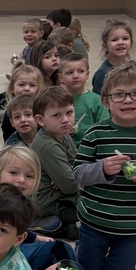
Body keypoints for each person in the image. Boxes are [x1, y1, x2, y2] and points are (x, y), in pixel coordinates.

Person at [74, 60, 136, 270]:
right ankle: (83, 248)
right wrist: (102, 169)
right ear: (105, 101)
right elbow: (78, 173)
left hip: (133, 226)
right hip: (95, 221)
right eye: (119, 94)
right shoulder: (96, 134)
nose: (128, 99)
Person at [31, 86, 79, 239]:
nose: (65, 120)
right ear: (40, 120)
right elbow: (71, 185)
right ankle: (33, 222)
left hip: (60, 195)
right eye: (57, 115)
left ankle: (66, 227)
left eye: (69, 112)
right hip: (47, 201)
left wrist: (71, 173)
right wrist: (72, 175)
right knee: (94, 208)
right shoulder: (47, 145)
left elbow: (78, 162)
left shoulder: (62, 134)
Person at [58, 53, 108, 144]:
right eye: (70, 72)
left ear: (87, 74)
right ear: (60, 77)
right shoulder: (56, 101)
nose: (76, 76)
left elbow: (104, 129)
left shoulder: (97, 101)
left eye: (80, 71)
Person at [92, 19, 134, 95]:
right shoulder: (102, 74)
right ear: (105, 46)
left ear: (131, 43)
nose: (120, 42)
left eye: (125, 38)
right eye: (114, 40)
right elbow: (97, 101)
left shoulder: (131, 68)